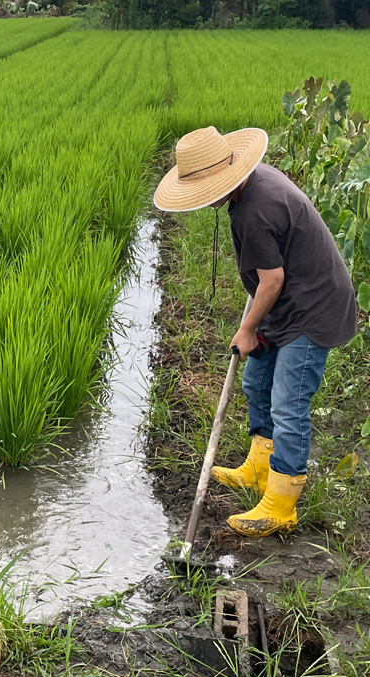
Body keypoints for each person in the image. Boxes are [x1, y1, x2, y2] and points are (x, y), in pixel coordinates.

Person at [153, 126, 357, 538]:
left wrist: (247, 329)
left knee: (288, 400)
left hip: (311, 307)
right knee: (256, 379)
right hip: (287, 299)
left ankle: (282, 502)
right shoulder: (254, 183)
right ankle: (258, 466)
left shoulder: (254, 210)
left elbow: (272, 280)